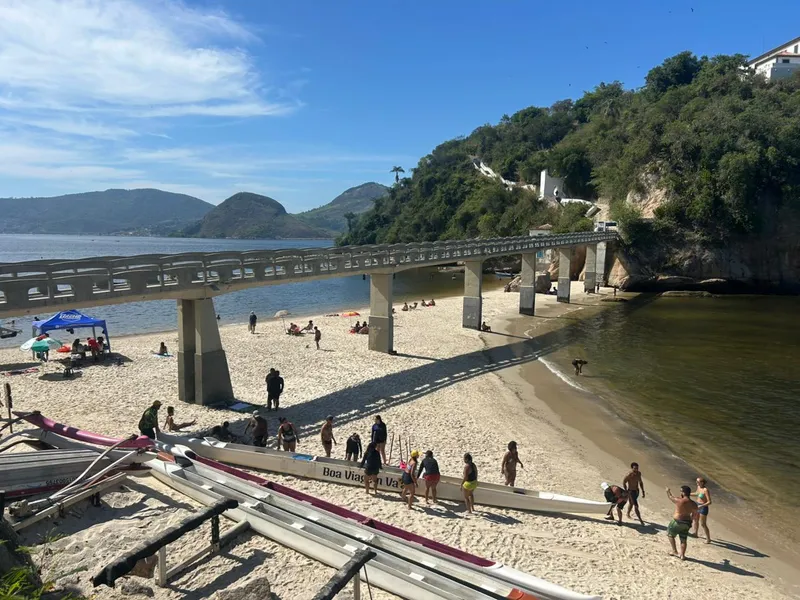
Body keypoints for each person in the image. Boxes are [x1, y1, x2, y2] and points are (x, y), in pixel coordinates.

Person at [666, 486, 698, 560]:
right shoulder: (694, 504)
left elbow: (671, 497)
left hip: (677, 521)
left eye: (681, 491)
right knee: (683, 539)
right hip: (687, 523)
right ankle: (682, 555)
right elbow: (694, 515)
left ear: (683, 492)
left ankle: (674, 551)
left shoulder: (679, 500)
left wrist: (668, 491)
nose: (680, 492)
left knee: (670, 535)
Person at [691, 477, 712, 543]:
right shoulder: (698, 487)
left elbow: (709, 502)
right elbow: (696, 493)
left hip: (703, 507)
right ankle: (695, 533)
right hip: (697, 505)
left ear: (702, 482)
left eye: (698, 481)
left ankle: (708, 539)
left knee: (703, 524)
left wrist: (702, 506)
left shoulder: (705, 490)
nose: (696, 482)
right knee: (695, 520)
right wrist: (687, 493)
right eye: (696, 481)